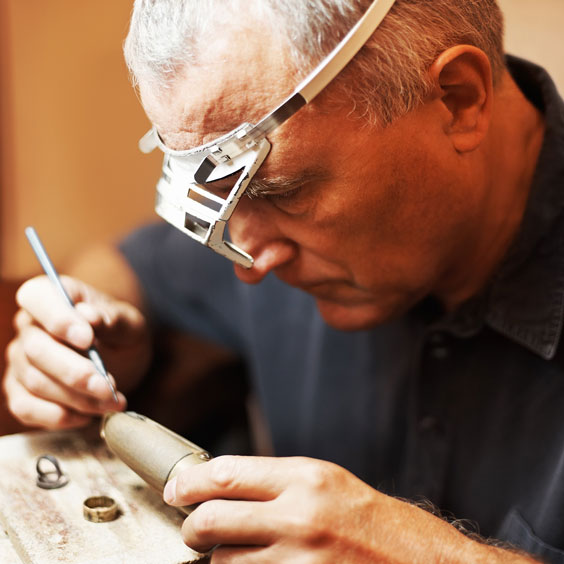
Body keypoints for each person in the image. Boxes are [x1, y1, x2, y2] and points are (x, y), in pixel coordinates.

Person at [3, 0, 564, 561]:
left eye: (284, 192)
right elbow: (129, 265)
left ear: (458, 100)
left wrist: (429, 554)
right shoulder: (277, 227)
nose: (249, 263)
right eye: (225, 198)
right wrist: (82, 328)